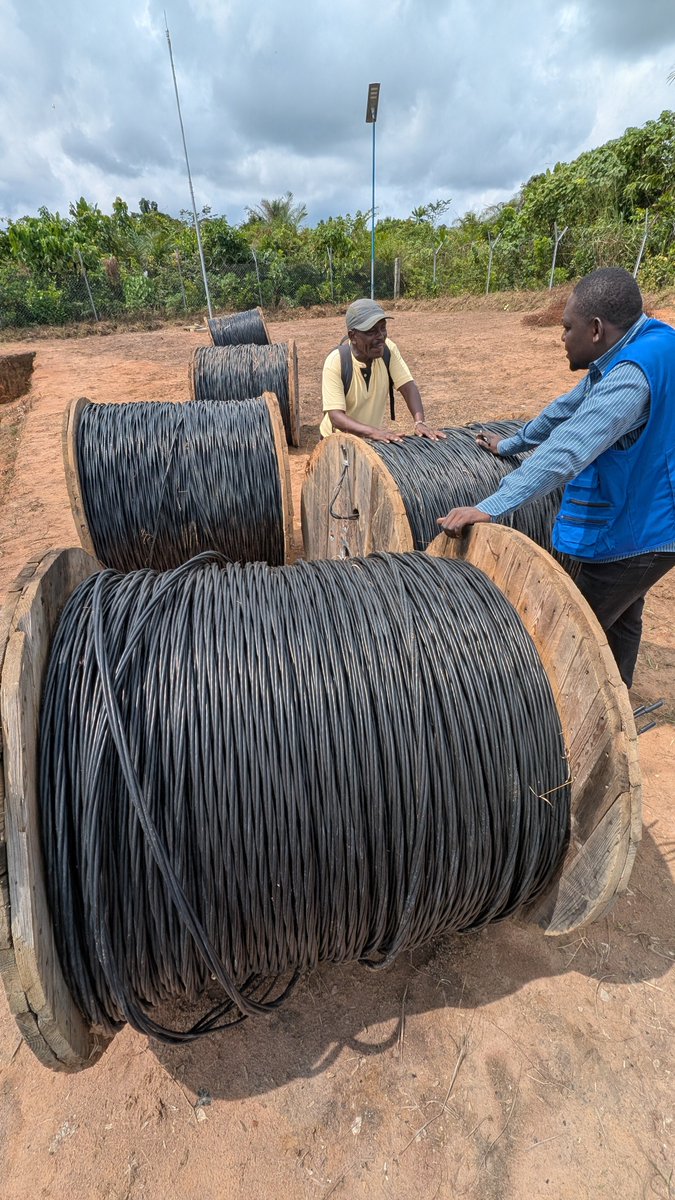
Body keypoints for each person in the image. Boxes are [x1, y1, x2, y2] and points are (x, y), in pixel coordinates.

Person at [436, 267, 675, 689]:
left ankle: (567, 726)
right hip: (649, 514)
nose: (561, 337)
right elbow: (567, 407)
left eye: (567, 328)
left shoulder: (630, 378)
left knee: (568, 638)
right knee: (624, 619)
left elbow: (567, 452)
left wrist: (489, 506)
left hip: (639, 534)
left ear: (597, 329)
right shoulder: (648, 342)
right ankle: (616, 713)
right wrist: (511, 443)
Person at [319, 298, 445, 443]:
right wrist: (374, 432)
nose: (380, 337)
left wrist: (419, 422)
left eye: (383, 328)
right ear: (353, 336)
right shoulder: (336, 361)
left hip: (370, 441)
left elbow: (408, 387)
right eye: (371, 332)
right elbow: (336, 417)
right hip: (335, 443)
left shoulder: (388, 350)